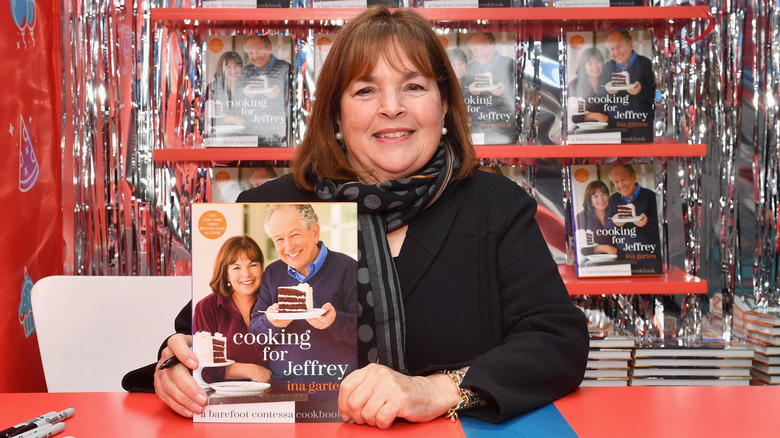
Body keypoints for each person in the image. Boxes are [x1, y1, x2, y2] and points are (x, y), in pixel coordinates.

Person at [149, 7, 588, 427]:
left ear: (444, 104)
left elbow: (557, 341)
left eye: (414, 87)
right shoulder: (271, 207)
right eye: (365, 90)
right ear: (336, 114)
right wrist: (174, 366)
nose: (392, 107)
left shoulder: (496, 205)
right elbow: (197, 334)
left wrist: (438, 390)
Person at [250, 204, 357, 406]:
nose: (288, 247)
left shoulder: (348, 268)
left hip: (336, 393)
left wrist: (335, 322)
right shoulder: (273, 274)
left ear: (314, 232)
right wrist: (271, 322)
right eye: (279, 239)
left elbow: (367, 334)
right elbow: (255, 333)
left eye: (294, 235)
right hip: (282, 392)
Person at [193, 235, 271, 384]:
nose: (246, 273)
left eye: (253, 265)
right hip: (224, 399)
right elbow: (203, 367)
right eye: (236, 267)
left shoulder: (274, 305)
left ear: (262, 267)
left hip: (279, 397)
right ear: (226, 273)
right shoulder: (207, 308)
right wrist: (250, 370)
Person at [599, 30, 655, 142]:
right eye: (612, 49)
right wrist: (608, 92)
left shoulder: (646, 64)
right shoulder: (608, 67)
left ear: (629, 44)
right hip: (615, 131)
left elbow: (657, 96)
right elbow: (598, 96)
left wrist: (641, 91)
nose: (616, 52)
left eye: (619, 46)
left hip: (642, 130)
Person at [235, 35, 291, 146]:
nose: (255, 56)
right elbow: (234, 104)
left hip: (280, 137)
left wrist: (280, 96)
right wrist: (244, 95)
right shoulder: (246, 71)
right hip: (250, 137)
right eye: (250, 52)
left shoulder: (286, 68)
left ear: (269, 48)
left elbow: (296, 101)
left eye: (258, 51)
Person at [462, 32, 517, 144]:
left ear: (493, 45)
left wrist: (505, 91)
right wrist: (470, 92)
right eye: (475, 50)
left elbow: (524, 96)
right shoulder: (471, 68)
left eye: (483, 48)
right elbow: (461, 95)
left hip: (505, 129)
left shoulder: (510, 64)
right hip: (478, 128)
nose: (479, 53)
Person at [576, 180, 617, 255]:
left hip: (620, 260)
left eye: (604, 194)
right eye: (595, 196)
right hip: (593, 263)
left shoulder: (616, 213)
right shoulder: (582, 217)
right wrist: (605, 248)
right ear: (590, 199)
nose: (601, 199)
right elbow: (582, 248)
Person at [568, 47, 608, 124]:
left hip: (611, 129)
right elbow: (572, 115)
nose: (595, 67)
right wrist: (597, 116)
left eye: (598, 62)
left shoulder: (609, 82)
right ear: (584, 66)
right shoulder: (574, 85)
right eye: (590, 63)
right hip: (583, 132)